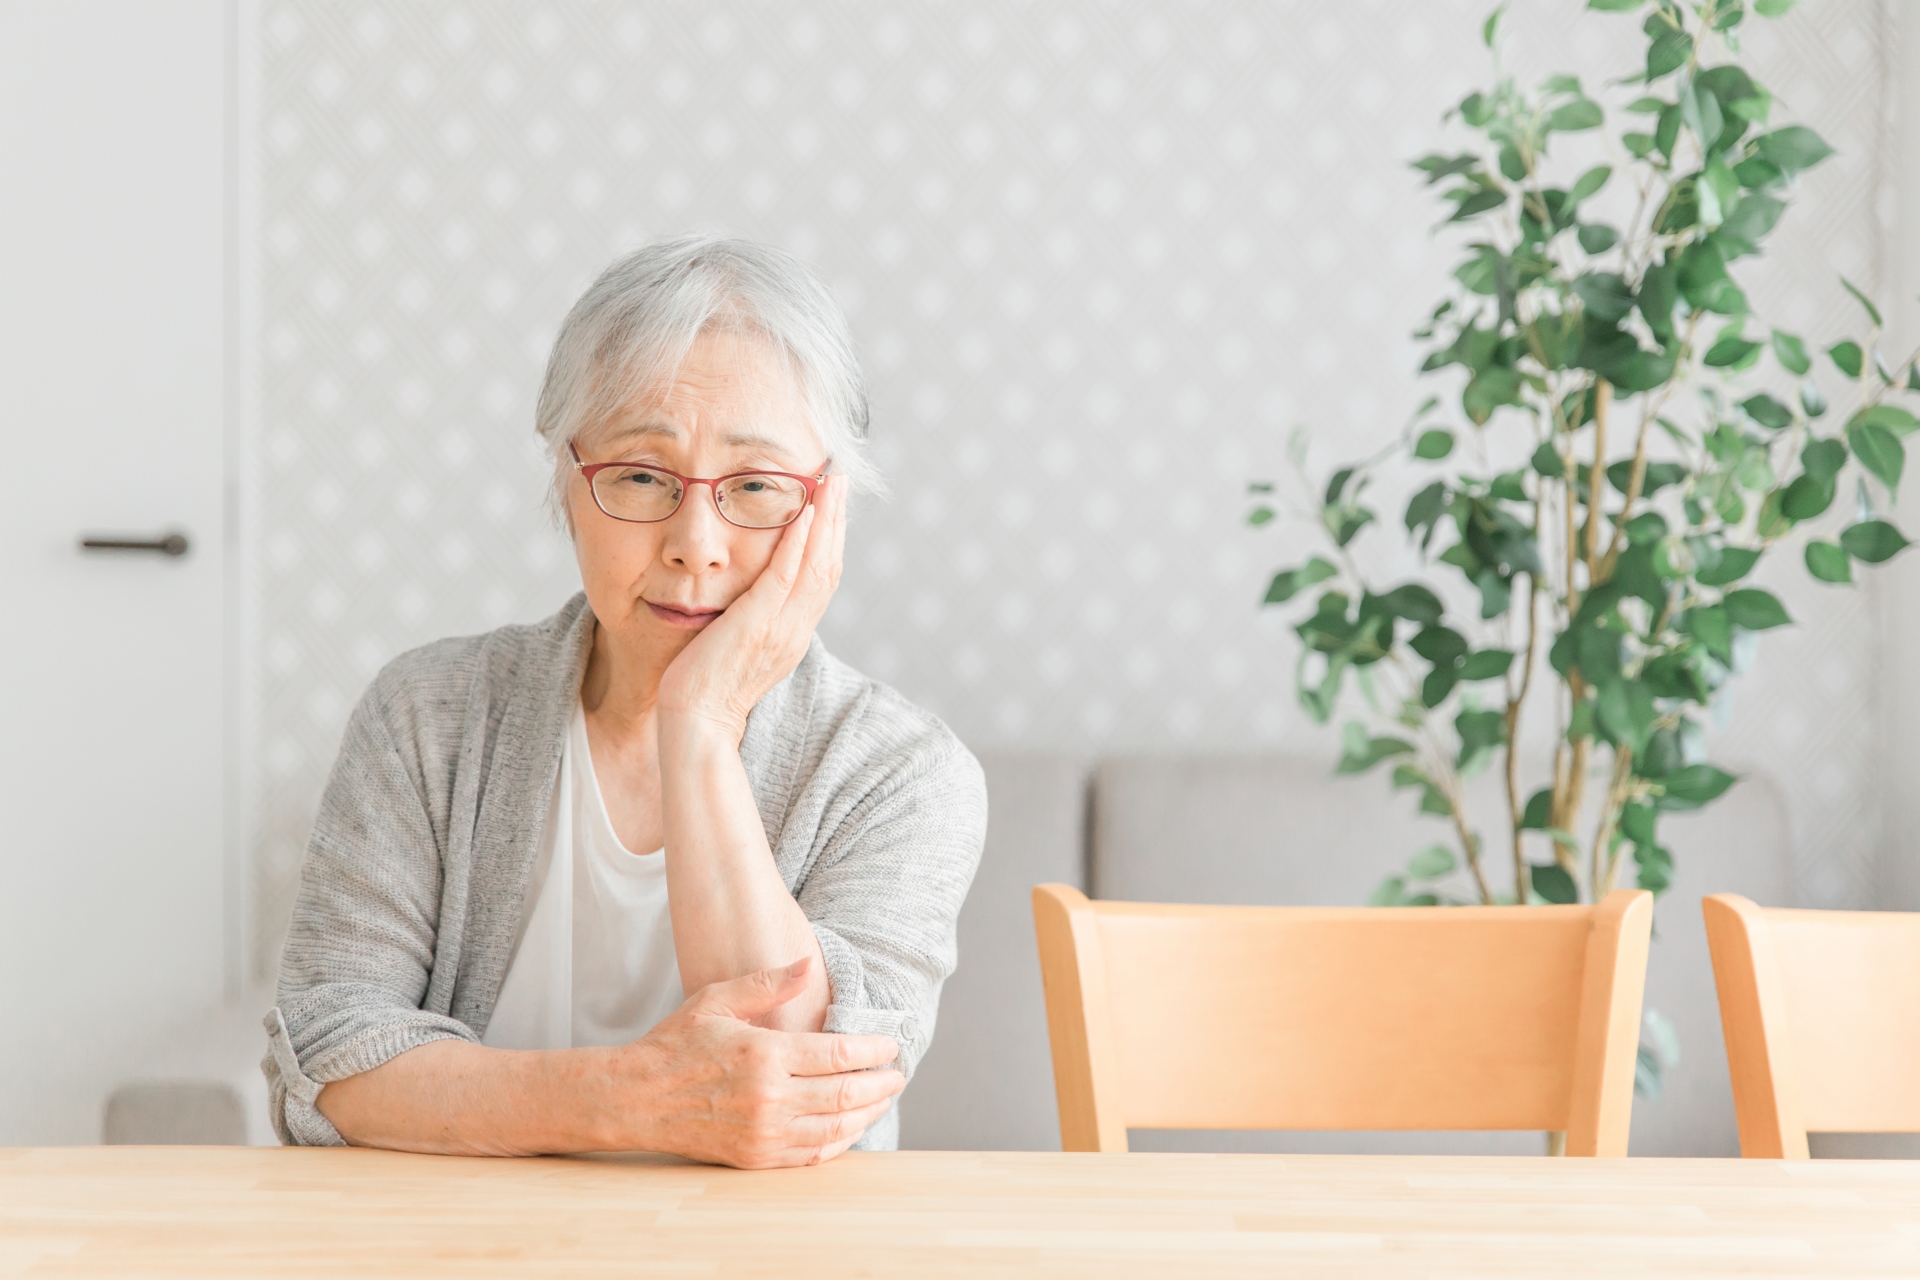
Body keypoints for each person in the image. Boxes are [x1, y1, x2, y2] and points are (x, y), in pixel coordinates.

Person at [262, 234, 987, 1167]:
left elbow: (797, 1086)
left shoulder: (901, 772)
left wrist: (701, 724)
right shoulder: (426, 715)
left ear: (827, 510)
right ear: (568, 480)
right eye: (642, 475)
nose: (696, 543)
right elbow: (326, 1057)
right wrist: (632, 1102)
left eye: (756, 486)